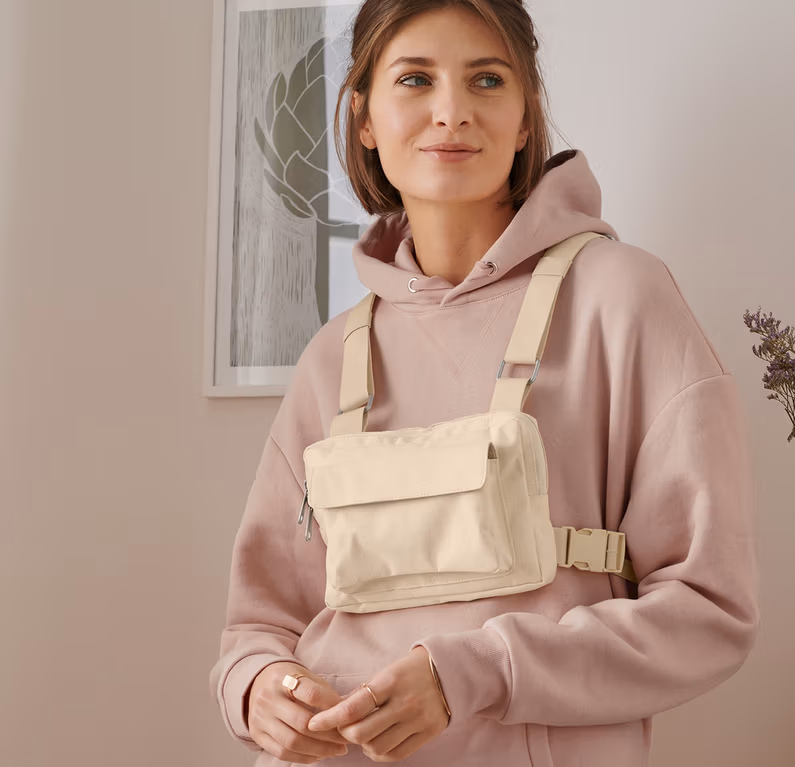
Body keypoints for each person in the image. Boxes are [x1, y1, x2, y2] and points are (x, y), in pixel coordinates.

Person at [209, 0, 760, 764]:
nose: (452, 112)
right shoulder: (333, 356)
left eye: (487, 79)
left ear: (527, 117)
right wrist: (256, 685)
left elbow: (709, 610)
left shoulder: (625, 300)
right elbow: (258, 623)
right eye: (415, 79)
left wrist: (478, 672)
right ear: (364, 117)